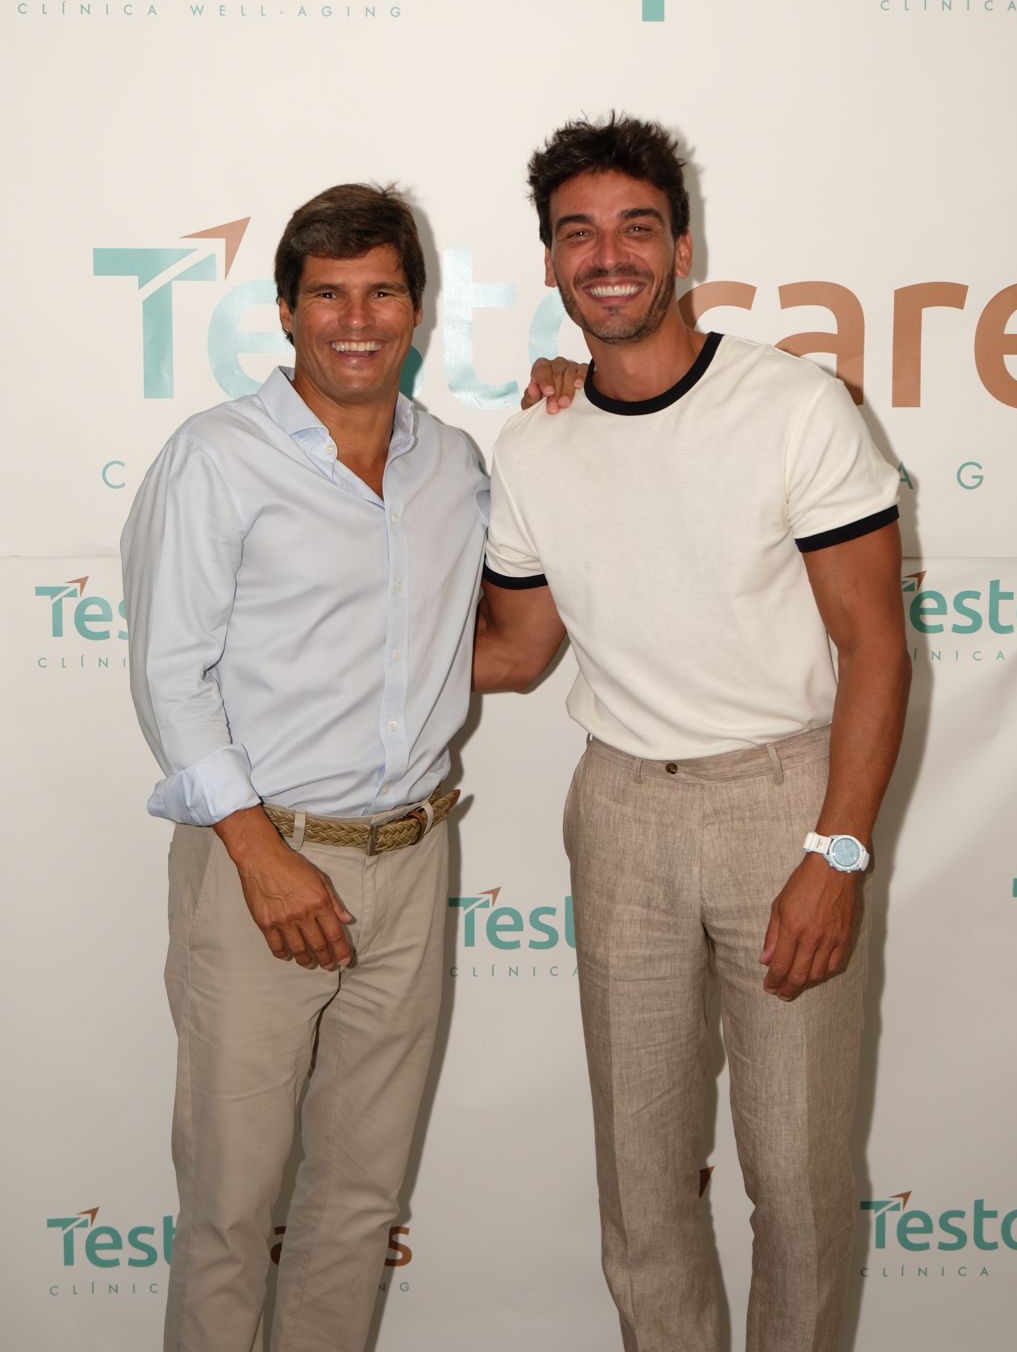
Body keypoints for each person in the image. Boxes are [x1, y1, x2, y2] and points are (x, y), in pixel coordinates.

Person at [120, 181, 582, 1352]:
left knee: (358, 1204)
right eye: (328, 295)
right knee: (231, 1210)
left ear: (417, 309)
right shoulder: (216, 459)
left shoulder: (453, 464)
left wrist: (573, 414)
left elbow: (502, 644)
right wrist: (259, 857)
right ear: (285, 311)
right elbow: (171, 676)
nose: (356, 320)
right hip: (258, 866)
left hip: (412, 862)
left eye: (380, 292)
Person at [474, 115, 911, 1352]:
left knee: (799, 1182)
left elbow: (876, 648)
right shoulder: (534, 439)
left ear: (681, 245)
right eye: (578, 233)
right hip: (620, 812)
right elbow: (514, 649)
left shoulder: (791, 406)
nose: (607, 254)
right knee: (641, 1183)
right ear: (550, 261)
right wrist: (326, 662)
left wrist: (835, 852)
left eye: (635, 227)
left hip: (784, 805)